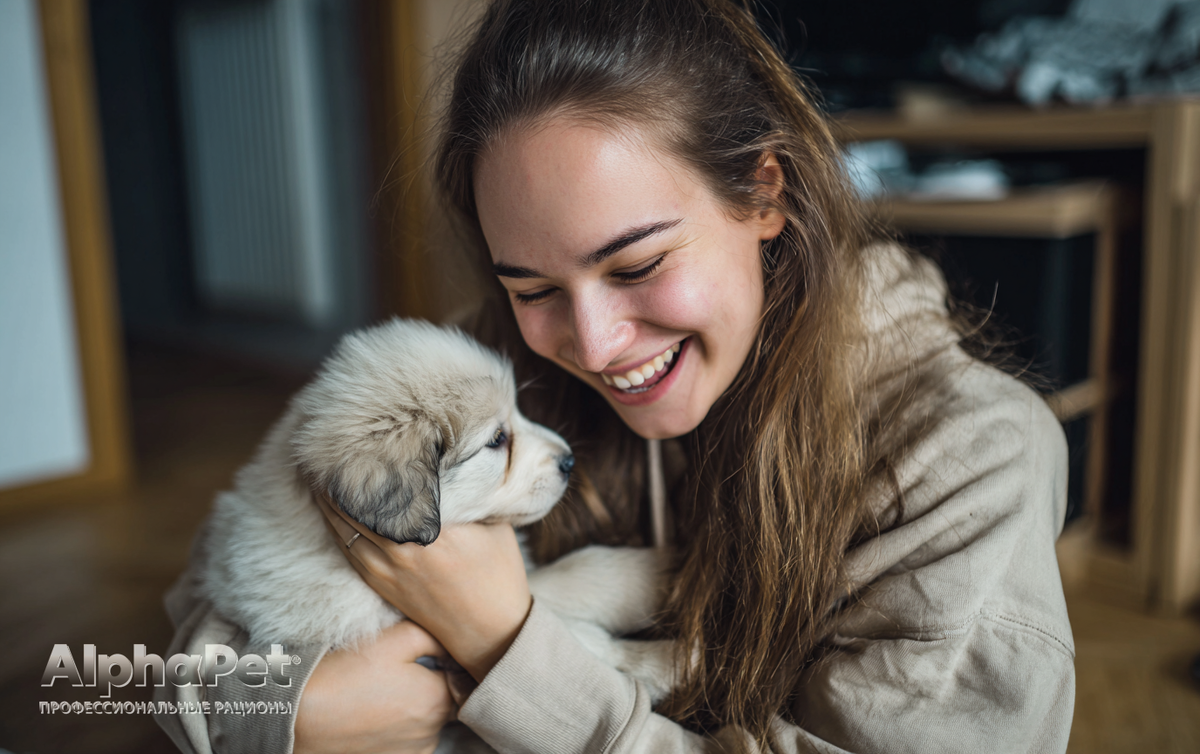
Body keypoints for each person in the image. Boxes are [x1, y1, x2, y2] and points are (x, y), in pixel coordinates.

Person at [154, 1, 1076, 752]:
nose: (591, 347)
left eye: (635, 266)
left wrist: (501, 647)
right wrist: (284, 713)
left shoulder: (973, 459)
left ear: (764, 192)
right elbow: (179, 646)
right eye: (532, 285)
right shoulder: (496, 371)